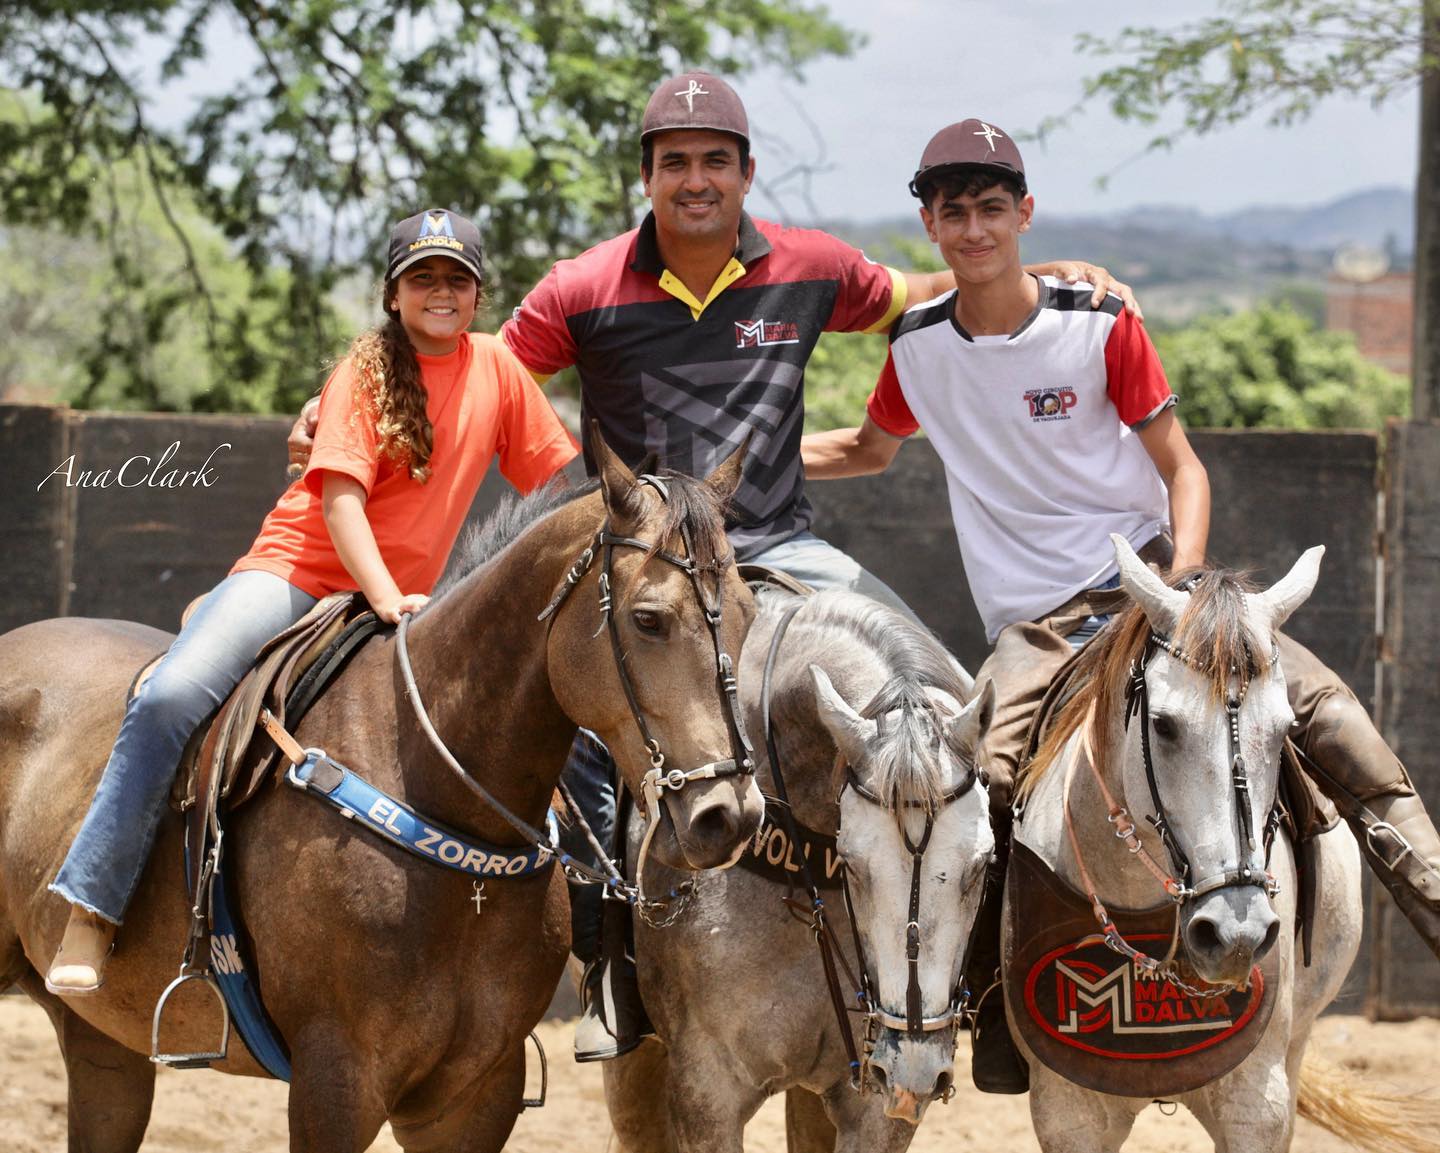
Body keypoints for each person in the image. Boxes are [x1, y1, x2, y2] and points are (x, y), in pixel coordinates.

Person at [287, 73, 1141, 1061]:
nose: (697, 180)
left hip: (778, 546)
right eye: (676, 162)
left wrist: (1057, 265)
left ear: (743, 174)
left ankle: (981, 991)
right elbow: (472, 375)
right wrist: (343, 409)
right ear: (648, 177)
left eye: (715, 162)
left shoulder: (812, 265)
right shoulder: (580, 288)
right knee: (590, 753)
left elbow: (928, 285)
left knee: (943, 705)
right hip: (639, 565)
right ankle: (613, 973)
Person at [801, 119, 1440, 1093]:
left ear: (1023, 212)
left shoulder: (1099, 323)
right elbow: (865, 450)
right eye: (952, 211)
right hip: (1034, 628)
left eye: (990, 207)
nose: (973, 228)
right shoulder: (921, 348)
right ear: (929, 222)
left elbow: (1181, 470)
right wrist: (748, 456)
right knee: (987, 785)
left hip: (1154, 587)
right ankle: (1002, 1016)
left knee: (1331, 720)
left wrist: (1177, 590)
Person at [45, 209, 579, 996]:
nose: (441, 292)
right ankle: (90, 905)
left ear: (477, 294)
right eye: (422, 277)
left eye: (456, 279)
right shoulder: (364, 370)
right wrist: (389, 597)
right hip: (300, 573)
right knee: (168, 696)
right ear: (393, 294)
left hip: (411, 600)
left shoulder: (497, 368)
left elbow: (561, 492)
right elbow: (339, 504)